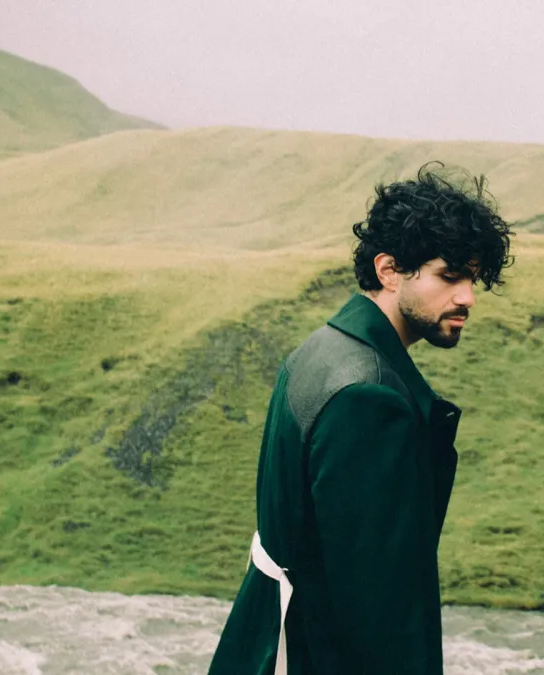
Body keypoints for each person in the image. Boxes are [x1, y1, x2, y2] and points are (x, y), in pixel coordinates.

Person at [206, 162, 514, 675]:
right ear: (389, 270)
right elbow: (377, 611)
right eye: (450, 276)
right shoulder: (371, 399)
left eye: (473, 278)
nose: (467, 297)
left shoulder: (322, 347)